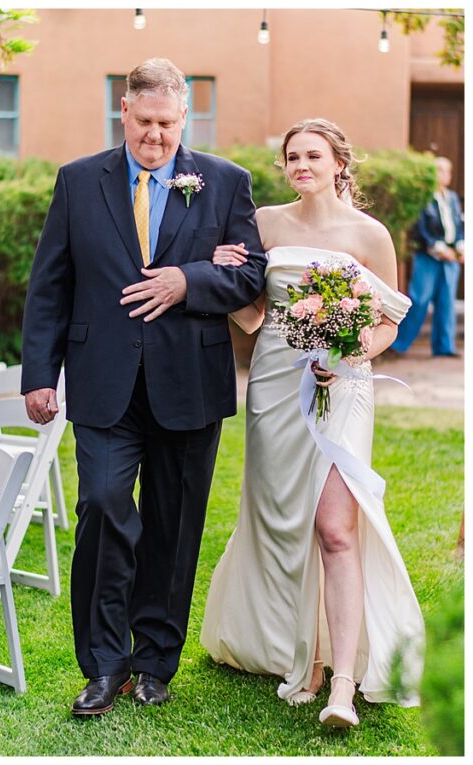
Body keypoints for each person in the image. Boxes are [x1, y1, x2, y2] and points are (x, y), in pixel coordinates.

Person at [20, 58, 267, 717]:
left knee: (174, 523)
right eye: (144, 121)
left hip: (189, 380)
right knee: (103, 508)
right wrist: (39, 376)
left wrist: (189, 281)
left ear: (183, 117)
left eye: (167, 123)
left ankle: (154, 659)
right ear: (123, 111)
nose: (155, 135)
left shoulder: (224, 183)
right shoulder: (78, 182)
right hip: (104, 383)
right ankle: (102, 665)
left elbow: (252, 277)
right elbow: (51, 285)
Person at [200, 118, 424, 728]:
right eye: (293, 157)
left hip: (341, 386)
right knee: (280, 518)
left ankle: (343, 684)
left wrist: (348, 354)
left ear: (338, 163)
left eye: (313, 156)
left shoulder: (369, 234)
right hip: (273, 385)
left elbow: (389, 321)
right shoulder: (266, 224)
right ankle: (301, 654)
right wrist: (220, 270)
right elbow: (251, 313)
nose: (302, 165)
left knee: (335, 526)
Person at [390, 155, 464, 357]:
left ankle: (444, 347)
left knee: (446, 303)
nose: (444, 174)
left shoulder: (452, 198)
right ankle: (399, 345)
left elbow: (458, 226)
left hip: (451, 258)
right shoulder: (424, 197)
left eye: (447, 170)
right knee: (419, 300)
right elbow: (420, 229)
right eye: (440, 170)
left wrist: (460, 246)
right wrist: (439, 249)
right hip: (428, 256)